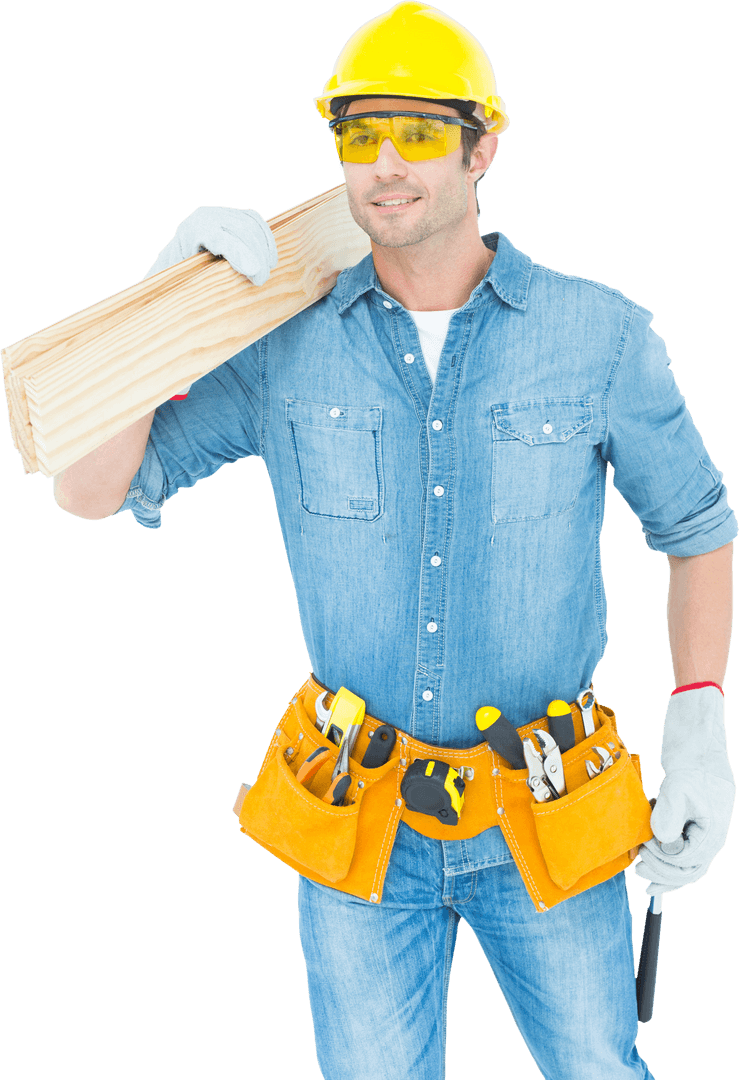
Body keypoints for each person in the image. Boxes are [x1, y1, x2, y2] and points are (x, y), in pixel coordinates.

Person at [52, 3, 735, 1078]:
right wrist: (160, 306)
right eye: (358, 131)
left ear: (482, 144)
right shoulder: (283, 348)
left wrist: (699, 729)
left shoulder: (597, 336)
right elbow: (93, 490)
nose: (383, 161)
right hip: (357, 825)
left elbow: (696, 529)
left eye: (417, 131)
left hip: (545, 820)